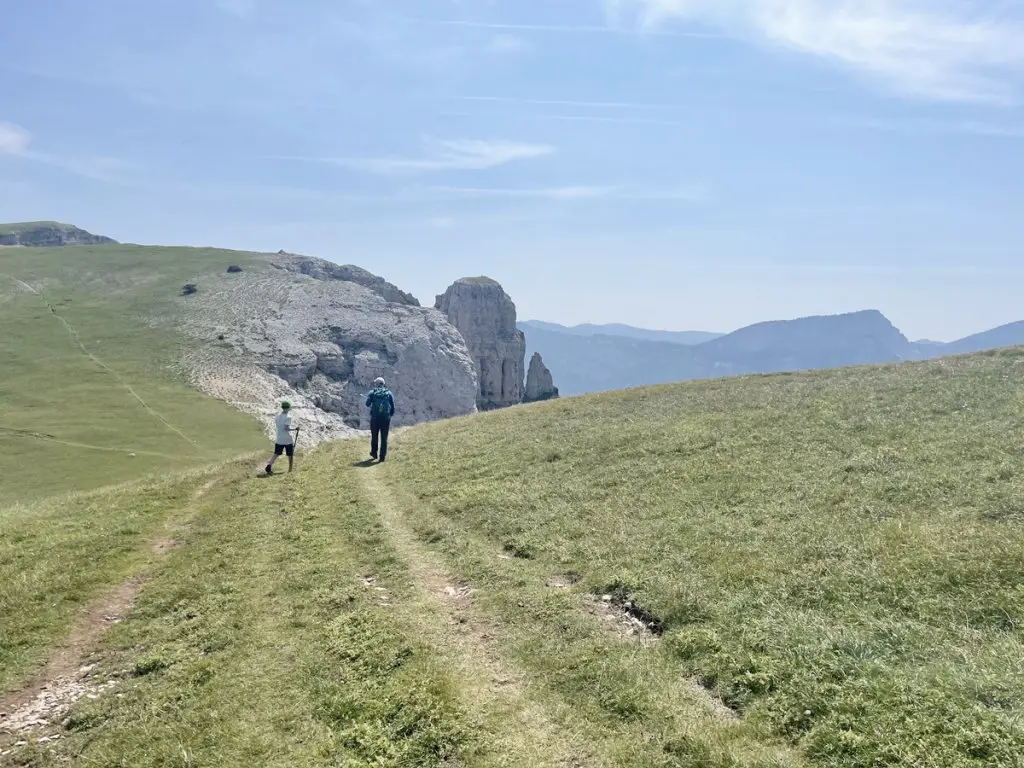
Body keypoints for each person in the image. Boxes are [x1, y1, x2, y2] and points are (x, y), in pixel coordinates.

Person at [365, 377, 395, 462]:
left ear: (376, 384)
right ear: (383, 384)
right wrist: (390, 415)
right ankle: (382, 457)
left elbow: (367, 404)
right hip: (385, 418)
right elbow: (392, 405)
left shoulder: (372, 392)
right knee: (384, 437)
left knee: (374, 436)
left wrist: (369, 399)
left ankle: (374, 453)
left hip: (375, 418)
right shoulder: (389, 393)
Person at [265, 401, 298, 475]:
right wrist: (295, 429)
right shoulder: (288, 417)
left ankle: (268, 466)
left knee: (276, 453)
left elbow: (278, 425)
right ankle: (290, 469)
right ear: (288, 408)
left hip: (279, 438)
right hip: (287, 439)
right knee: (290, 454)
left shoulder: (277, 416)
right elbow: (286, 428)